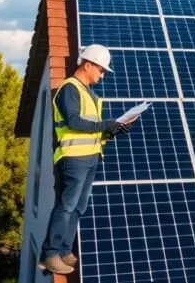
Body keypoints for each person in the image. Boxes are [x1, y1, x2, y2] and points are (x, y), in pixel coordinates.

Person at [39, 44, 137, 275]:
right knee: (67, 206)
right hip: (73, 158)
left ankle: (64, 250)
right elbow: (74, 121)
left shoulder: (88, 93)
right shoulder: (69, 89)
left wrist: (112, 130)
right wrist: (106, 124)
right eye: (101, 69)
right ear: (88, 64)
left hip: (90, 157)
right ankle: (50, 253)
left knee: (78, 207)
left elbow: (92, 129)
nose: (102, 75)